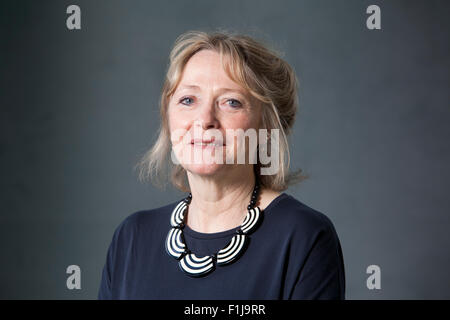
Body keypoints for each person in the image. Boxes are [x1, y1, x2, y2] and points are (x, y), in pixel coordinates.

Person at [98, 30, 345, 299]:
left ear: (267, 125)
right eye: (188, 100)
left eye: (231, 102)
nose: (205, 120)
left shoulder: (304, 237)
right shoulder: (132, 238)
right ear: (168, 118)